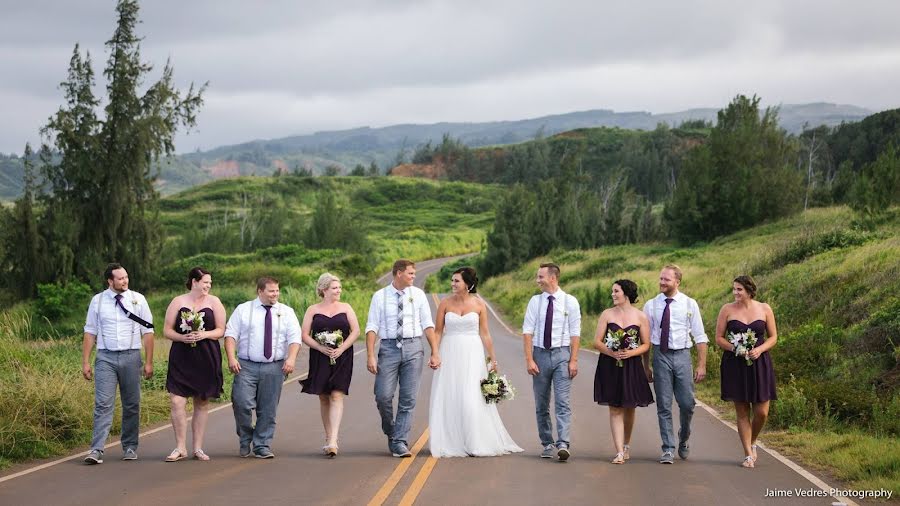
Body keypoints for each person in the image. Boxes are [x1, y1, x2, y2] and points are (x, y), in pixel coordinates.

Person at [429, 267, 523, 457]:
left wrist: (492, 358)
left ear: (467, 284)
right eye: (452, 280)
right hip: (449, 351)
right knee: (450, 395)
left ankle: (475, 441)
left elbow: (485, 333)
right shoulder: (445, 304)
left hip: (472, 352)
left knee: (470, 397)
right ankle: (450, 440)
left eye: (457, 281)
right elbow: (438, 331)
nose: (452, 284)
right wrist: (435, 353)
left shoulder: (479, 305)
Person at [365, 259, 439, 458]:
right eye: (411, 273)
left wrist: (434, 351)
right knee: (383, 395)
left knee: (408, 399)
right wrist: (371, 355)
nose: (414, 277)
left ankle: (399, 442)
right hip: (388, 348)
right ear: (398, 273)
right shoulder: (380, 297)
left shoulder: (418, 295)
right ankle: (392, 430)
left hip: (414, 347)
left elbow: (427, 324)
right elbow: (372, 326)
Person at [81, 263, 155, 464]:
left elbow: (148, 331)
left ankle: (130, 446)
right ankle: (96, 449)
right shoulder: (97, 301)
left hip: (132, 356)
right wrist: (86, 361)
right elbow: (90, 331)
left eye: (126, 277)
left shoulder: (137, 300)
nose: (125, 281)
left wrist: (148, 362)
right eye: (120, 278)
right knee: (103, 403)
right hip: (105, 357)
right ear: (110, 281)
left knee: (132, 403)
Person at [224, 276, 302, 459]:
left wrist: (291, 359)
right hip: (246, 366)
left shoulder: (287, 312)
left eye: (277, 290)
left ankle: (262, 445)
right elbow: (230, 335)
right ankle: (245, 437)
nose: (275, 294)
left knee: (268, 409)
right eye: (271, 291)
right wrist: (231, 358)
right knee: (241, 402)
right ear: (260, 291)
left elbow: (294, 338)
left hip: (274, 367)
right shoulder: (243, 310)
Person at [643, 264, 708, 464]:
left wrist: (701, 365)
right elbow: (645, 339)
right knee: (663, 404)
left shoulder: (689, 304)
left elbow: (700, 335)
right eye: (661, 278)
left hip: (682, 356)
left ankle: (684, 436)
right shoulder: (651, 305)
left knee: (687, 404)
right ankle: (668, 448)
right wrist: (646, 366)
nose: (662, 282)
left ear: (677, 282)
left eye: (666, 279)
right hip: (660, 356)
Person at [162, 267, 227, 462]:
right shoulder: (178, 301)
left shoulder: (214, 302)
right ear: (194, 281)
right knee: (176, 400)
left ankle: (198, 447)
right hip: (182, 356)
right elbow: (166, 330)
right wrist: (182, 337)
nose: (208, 285)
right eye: (205, 282)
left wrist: (204, 334)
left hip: (206, 355)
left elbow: (221, 330)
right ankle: (180, 447)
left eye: (210, 283)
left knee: (202, 401)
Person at [714, 275, 778, 468]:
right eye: (734, 289)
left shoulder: (765, 308)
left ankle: (753, 441)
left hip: (760, 363)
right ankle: (748, 455)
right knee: (742, 411)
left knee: (762, 412)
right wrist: (736, 349)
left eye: (739, 289)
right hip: (735, 364)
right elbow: (719, 338)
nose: (735, 293)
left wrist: (760, 349)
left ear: (749, 290)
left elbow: (773, 337)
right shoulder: (727, 309)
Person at [522, 262, 581, 461]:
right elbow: (527, 331)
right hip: (539, 354)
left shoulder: (570, 301)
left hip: (562, 354)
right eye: (538, 277)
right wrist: (529, 359)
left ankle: (563, 443)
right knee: (541, 403)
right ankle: (547, 442)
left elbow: (575, 333)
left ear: (553, 278)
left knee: (563, 401)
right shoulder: (535, 301)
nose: (538, 280)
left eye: (541, 277)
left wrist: (573, 360)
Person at [299, 273, 361, 457]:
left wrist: (342, 348)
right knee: (324, 396)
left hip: (342, 356)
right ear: (324, 290)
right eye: (335, 288)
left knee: (336, 395)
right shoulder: (312, 310)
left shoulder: (346, 307)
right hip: (320, 357)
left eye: (339, 287)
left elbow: (356, 331)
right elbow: (304, 335)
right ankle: (328, 438)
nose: (339, 290)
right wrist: (320, 347)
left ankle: (334, 440)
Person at [593, 280, 654, 464]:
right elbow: (597, 342)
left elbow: (646, 344)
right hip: (609, 365)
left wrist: (632, 354)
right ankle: (619, 451)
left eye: (616, 291)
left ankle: (626, 444)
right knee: (615, 408)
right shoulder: (607, 314)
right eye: (612, 291)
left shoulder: (640, 316)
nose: (612, 294)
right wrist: (611, 352)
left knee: (629, 407)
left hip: (632, 365)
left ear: (626, 293)